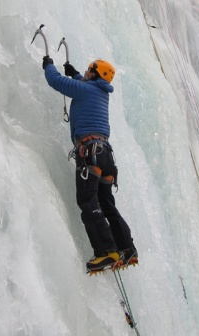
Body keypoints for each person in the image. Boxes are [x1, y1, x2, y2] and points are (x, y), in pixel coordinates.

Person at [43, 56, 138, 272]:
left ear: (94, 73)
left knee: (88, 201)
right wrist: (75, 72)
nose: (85, 72)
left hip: (90, 153)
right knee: (106, 204)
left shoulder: (86, 90)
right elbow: (83, 85)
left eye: (88, 70)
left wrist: (49, 65)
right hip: (105, 156)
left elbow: (56, 82)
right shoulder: (101, 92)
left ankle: (107, 252)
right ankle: (126, 248)